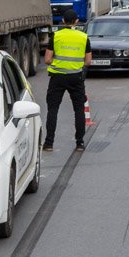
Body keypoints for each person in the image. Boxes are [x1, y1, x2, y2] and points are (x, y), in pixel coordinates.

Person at [42, 8, 93, 152]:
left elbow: (47, 60)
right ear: (76, 21)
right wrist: (75, 65)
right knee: (79, 110)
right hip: (76, 78)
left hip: (57, 78)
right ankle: (80, 143)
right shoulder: (83, 37)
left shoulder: (56, 36)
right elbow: (88, 61)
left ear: (63, 21)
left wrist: (58, 64)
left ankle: (49, 143)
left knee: (53, 109)